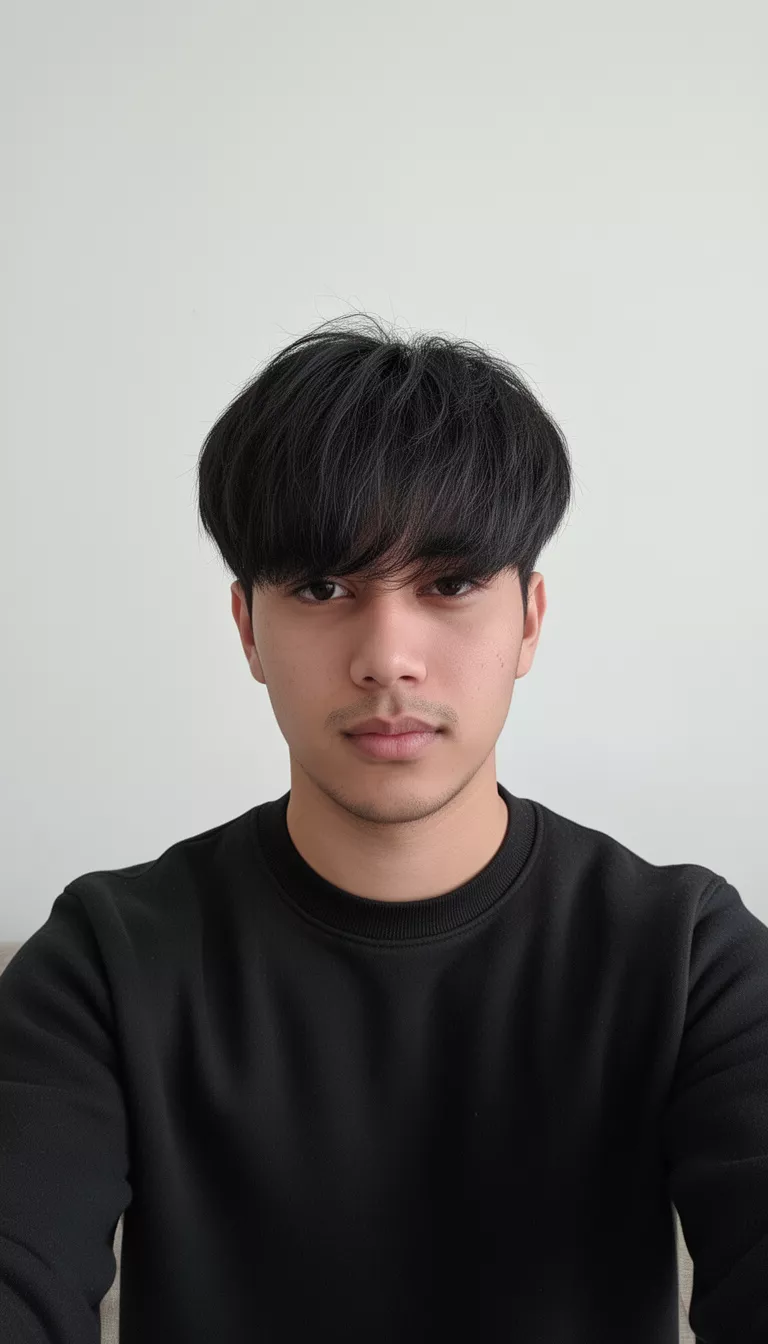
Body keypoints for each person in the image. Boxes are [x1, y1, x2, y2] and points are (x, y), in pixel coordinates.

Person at [1, 312, 766, 1343]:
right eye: (323, 587)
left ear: (530, 617)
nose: (388, 656)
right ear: (248, 629)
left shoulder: (686, 955)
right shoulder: (103, 961)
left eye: (449, 584)